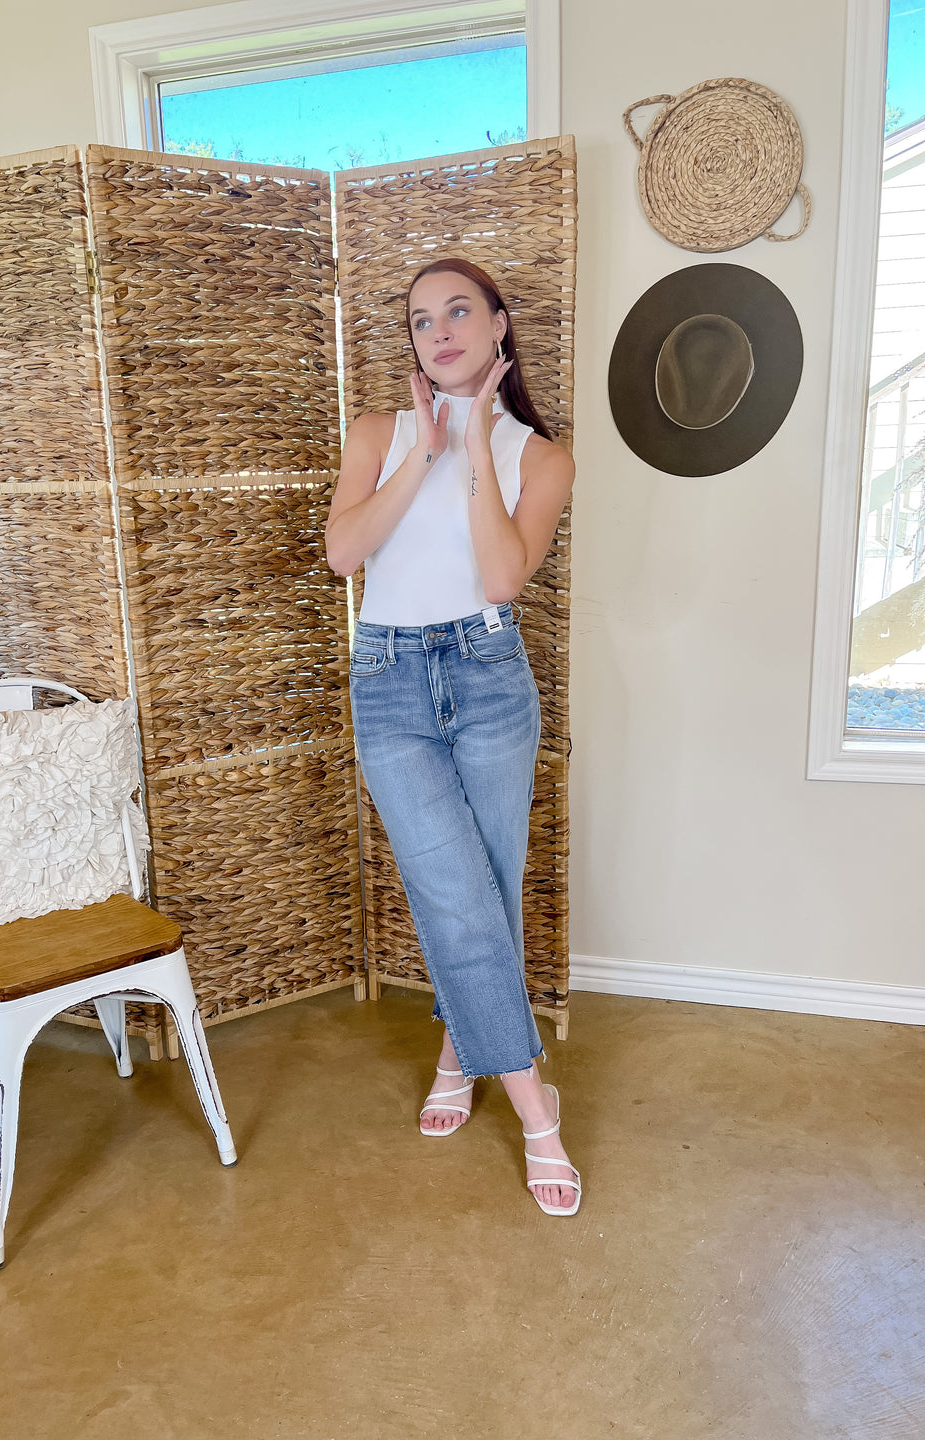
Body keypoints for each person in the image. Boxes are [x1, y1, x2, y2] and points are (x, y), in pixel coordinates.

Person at [325, 258, 580, 1216]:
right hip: (389, 683)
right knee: (453, 890)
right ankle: (537, 1111)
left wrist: (473, 447)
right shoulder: (378, 434)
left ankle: (456, 1054)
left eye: (459, 312)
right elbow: (345, 553)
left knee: (488, 891)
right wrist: (426, 456)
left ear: (498, 326)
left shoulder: (539, 457)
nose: (440, 332)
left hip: (486, 676)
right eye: (422, 320)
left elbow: (502, 577)